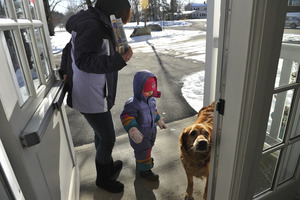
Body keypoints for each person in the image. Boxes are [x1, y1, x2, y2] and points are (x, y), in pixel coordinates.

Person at [65, 0, 133, 193]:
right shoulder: (92, 24)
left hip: (97, 92)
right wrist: (118, 60)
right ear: (117, 8)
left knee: (100, 135)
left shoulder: (100, 21)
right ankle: (103, 178)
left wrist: (118, 55)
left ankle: (107, 165)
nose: (125, 18)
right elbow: (83, 60)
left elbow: (71, 49)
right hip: (91, 95)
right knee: (108, 138)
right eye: (125, 13)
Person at [120, 70, 167, 181]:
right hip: (140, 135)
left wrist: (159, 120)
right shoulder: (133, 103)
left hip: (150, 132)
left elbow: (154, 112)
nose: (150, 93)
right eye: (147, 91)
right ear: (139, 89)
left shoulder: (151, 101)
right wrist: (133, 129)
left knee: (146, 150)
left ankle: (142, 163)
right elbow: (127, 116)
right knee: (143, 152)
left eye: (152, 91)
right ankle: (145, 171)